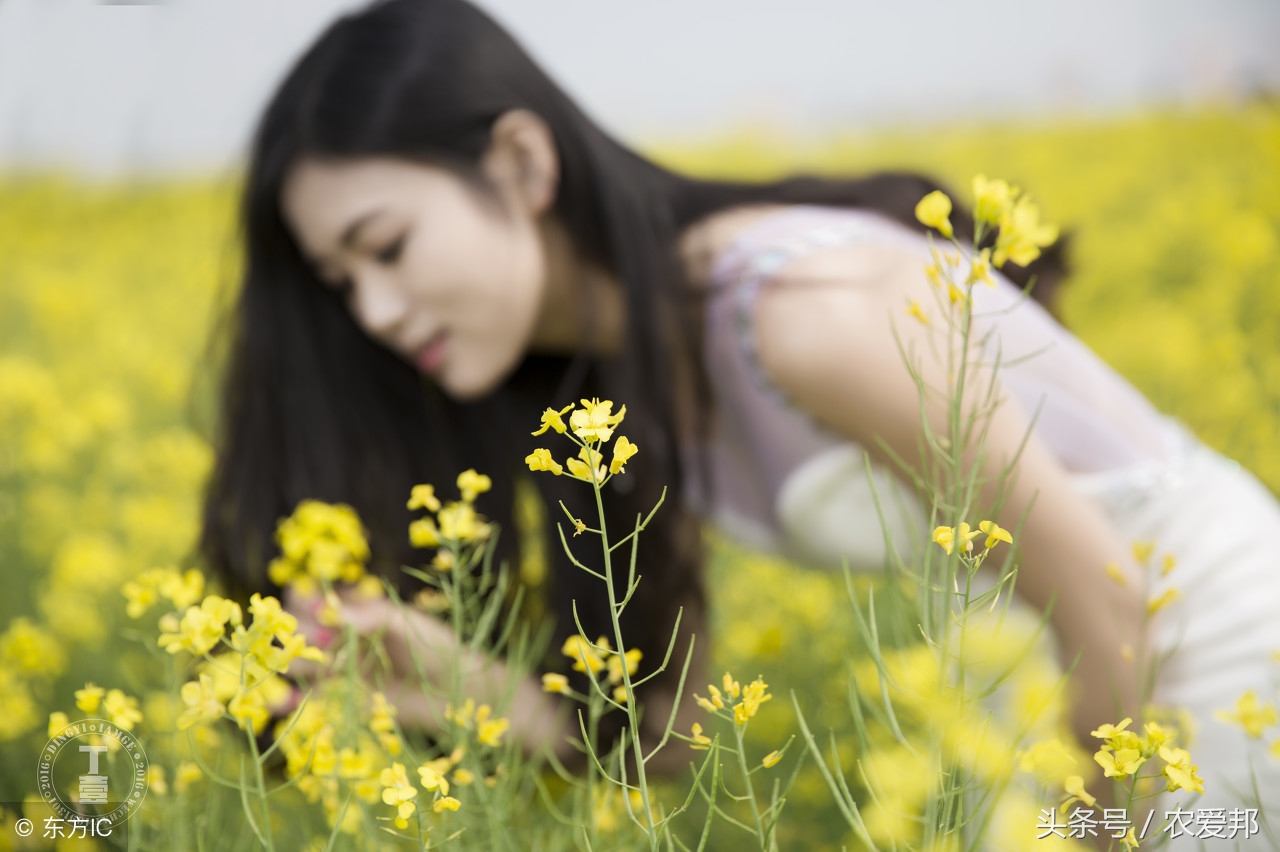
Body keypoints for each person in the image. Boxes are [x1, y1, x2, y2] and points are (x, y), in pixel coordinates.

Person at [199, 0, 1280, 834]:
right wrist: (482, 690)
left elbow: (1109, 600)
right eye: (341, 282)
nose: (376, 313)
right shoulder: (622, 383)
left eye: (385, 248)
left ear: (522, 165)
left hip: (1206, 663)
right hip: (1068, 685)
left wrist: (1092, 829)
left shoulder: (798, 320)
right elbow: (667, 735)